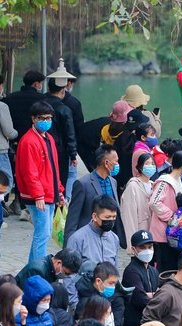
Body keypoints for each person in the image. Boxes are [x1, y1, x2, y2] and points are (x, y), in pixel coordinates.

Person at [15, 101, 64, 261]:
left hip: (48, 193)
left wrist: (59, 190)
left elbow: (53, 169)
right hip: (39, 196)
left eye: (49, 118)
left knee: (44, 233)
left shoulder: (47, 138)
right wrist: (38, 196)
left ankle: (33, 269)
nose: (46, 121)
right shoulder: (29, 141)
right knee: (42, 235)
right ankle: (38, 271)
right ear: (33, 118)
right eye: (42, 118)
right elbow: (30, 172)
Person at [64, 144, 120, 249]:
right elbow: (72, 219)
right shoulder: (83, 183)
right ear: (106, 163)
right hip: (88, 240)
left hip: (108, 239)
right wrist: (68, 248)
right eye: (116, 161)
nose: (117, 164)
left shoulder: (113, 182)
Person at [148, 150, 182, 272]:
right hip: (162, 232)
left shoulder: (179, 180)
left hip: (173, 231)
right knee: (163, 266)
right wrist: (172, 216)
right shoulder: (164, 182)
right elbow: (154, 202)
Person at [121, 230, 160, 326]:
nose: (147, 250)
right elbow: (140, 299)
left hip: (150, 325)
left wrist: (150, 295)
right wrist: (155, 295)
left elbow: (160, 295)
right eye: (142, 247)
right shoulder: (131, 271)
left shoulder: (153, 271)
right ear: (133, 249)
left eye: (150, 246)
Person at [66, 194, 121, 266]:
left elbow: (115, 270)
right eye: (107, 217)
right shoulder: (77, 239)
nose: (111, 220)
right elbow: (69, 272)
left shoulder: (114, 239)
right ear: (94, 216)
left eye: (114, 217)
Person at [43, 77, 78, 188]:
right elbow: (70, 135)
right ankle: (59, 203)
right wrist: (73, 155)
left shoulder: (40, 105)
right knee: (60, 180)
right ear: (63, 90)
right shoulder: (64, 109)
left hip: (41, 146)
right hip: (60, 150)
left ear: (49, 88)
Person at [121, 153, 155, 251]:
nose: (150, 166)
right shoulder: (133, 186)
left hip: (151, 233)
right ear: (140, 166)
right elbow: (129, 216)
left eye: (152, 164)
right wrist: (131, 242)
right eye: (147, 163)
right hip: (139, 231)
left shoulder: (153, 185)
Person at [15, 248, 82, 289]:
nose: (65, 276)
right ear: (58, 263)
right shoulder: (38, 271)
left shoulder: (52, 270)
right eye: (66, 273)